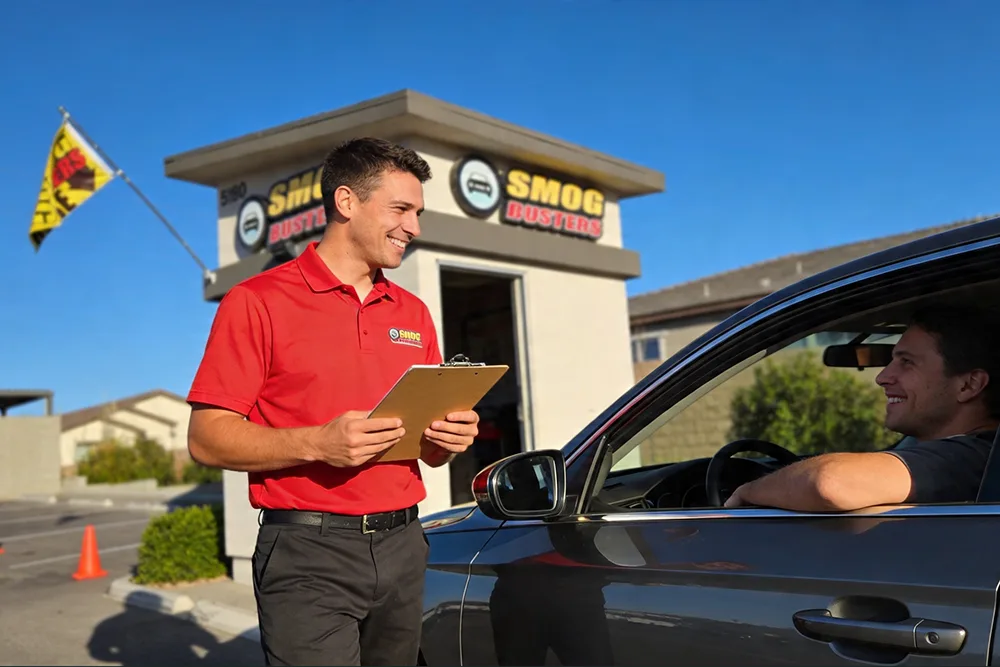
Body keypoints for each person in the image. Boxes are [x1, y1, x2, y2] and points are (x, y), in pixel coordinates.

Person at [185, 137, 480, 666]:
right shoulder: (257, 302)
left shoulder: (412, 312)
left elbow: (428, 452)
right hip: (307, 554)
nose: (415, 226)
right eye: (401, 209)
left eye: (418, 212)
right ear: (347, 203)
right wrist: (319, 443)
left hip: (405, 542)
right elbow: (206, 438)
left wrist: (446, 442)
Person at [725, 305, 1000, 512]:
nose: (882, 377)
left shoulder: (973, 458)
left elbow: (828, 482)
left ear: (969, 385)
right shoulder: (954, 452)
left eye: (907, 362)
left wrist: (748, 491)